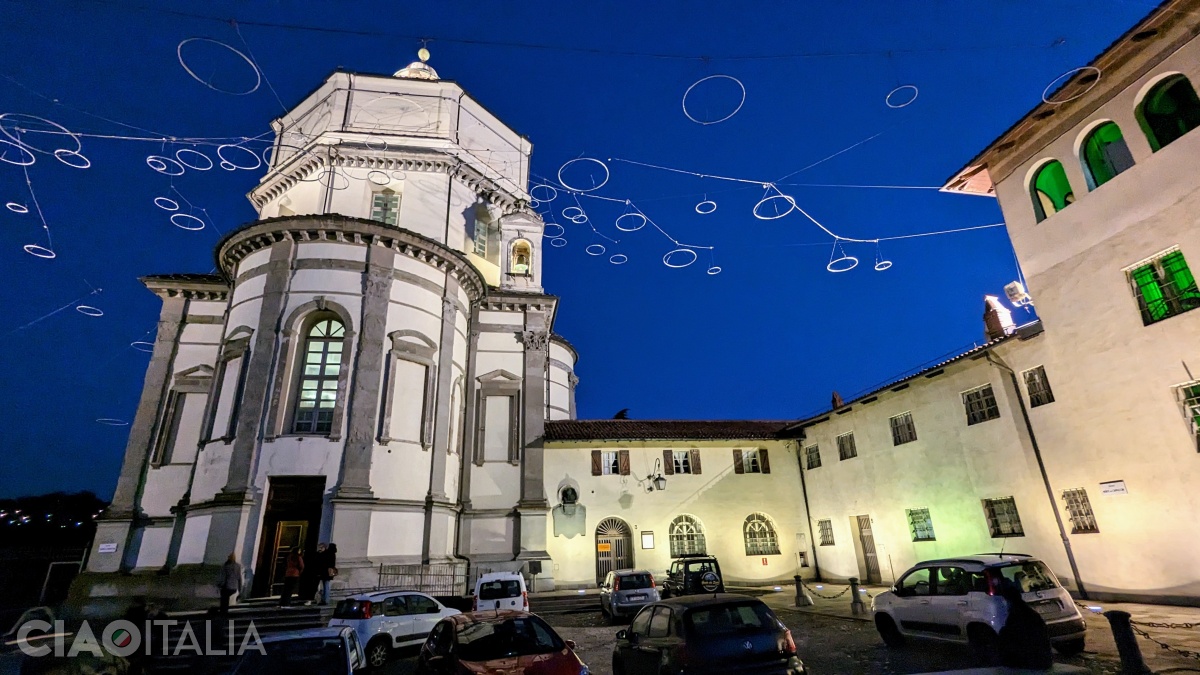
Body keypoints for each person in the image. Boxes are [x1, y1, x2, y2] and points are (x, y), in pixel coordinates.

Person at [997, 579, 1053, 670]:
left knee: (1004, 634)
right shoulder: (1028, 612)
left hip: (1032, 660)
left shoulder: (1017, 615)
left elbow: (1014, 637)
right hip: (1042, 658)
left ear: (1009, 600)